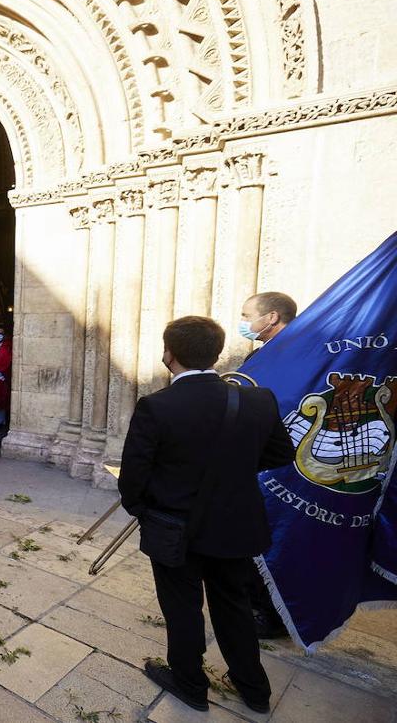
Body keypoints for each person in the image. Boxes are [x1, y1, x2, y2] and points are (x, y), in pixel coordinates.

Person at [119, 316, 293, 715]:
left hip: (174, 527)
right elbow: (281, 454)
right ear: (216, 354)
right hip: (236, 522)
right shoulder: (257, 399)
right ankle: (254, 689)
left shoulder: (157, 406)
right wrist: (234, 473)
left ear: (169, 353)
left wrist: (146, 511)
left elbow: (134, 477)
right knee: (233, 604)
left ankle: (190, 683)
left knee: (182, 606)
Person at [237, 291, 298, 639]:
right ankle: (256, 603)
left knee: (271, 537)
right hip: (259, 461)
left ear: (271, 317)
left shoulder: (295, 357)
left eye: (247, 315)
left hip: (280, 464)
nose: (244, 322)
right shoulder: (269, 354)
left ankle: (268, 613)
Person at [239, 291, 297, 360]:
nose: (242, 321)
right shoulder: (254, 356)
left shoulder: (293, 354)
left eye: (247, 316)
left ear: (272, 318)